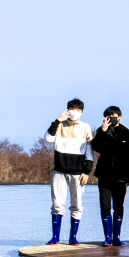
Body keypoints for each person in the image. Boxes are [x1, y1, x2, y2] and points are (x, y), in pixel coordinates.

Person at [45, 98, 95, 245]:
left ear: (82, 112)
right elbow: (48, 138)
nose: (75, 112)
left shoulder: (85, 127)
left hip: (78, 173)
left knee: (77, 205)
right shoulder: (59, 125)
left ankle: (73, 237)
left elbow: (89, 153)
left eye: (78, 110)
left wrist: (87, 171)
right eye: (72, 109)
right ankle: (55, 237)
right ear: (67, 110)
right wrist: (58, 120)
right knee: (57, 204)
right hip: (59, 171)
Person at [90, 106, 129, 246]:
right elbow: (96, 147)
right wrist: (103, 131)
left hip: (121, 176)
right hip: (104, 175)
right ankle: (108, 237)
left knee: (119, 206)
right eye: (109, 116)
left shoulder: (128, 134)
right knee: (105, 205)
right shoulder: (102, 131)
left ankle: (117, 237)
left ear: (120, 117)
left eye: (114, 116)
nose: (112, 118)